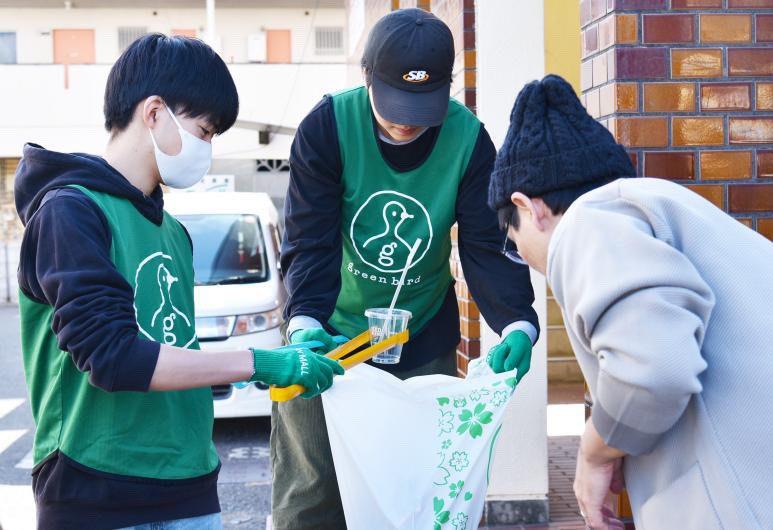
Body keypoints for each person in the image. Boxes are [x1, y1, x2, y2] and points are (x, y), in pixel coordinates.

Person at [14, 34, 342, 530]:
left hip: (189, 483)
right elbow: (112, 356)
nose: (207, 148)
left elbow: (175, 347)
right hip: (95, 489)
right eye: (205, 131)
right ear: (153, 112)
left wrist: (288, 359)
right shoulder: (71, 211)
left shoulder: (173, 233)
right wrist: (258, 360)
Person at [273, 8, 540, 530]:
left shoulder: (467, 140)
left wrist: (517, 323)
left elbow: (486, 247)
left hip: (422, 337)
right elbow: (310, 241)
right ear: (367, 76)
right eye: (395, 101)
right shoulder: (327, 127)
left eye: (422, 105)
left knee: (415, 489)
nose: (406, 119)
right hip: (331, 336)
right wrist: (304, 323)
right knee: (311, 494)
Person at [488, 74, 773, 530]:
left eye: (512, 240)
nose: (522, 256)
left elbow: (655, 367)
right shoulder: (658, 207)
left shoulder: (588, 223)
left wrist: (594, 451)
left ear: (529, 207)